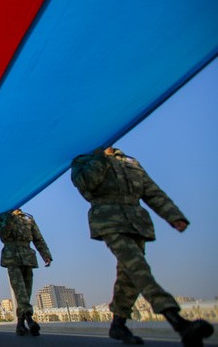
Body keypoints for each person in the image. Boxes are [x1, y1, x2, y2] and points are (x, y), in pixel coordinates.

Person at [71, 147, 214, 346]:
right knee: (139, 269)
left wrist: (174, 216)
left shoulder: (129, 162)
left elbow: (152, 192)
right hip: (108, 221)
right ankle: (178, 322)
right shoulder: (84, 161)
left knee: (128, 276)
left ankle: (118, 324)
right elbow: (86, 185)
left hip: (137, 223)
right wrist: (99, 158)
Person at [0, 208, 52, 337]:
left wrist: (45, 254)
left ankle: (20, 325)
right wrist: (9, 217)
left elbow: (38, 239)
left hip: (27, 256)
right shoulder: (2, 218)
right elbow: (3, 235)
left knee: (26, 290)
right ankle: (29, 318)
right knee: (20, 290)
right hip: (12, 257)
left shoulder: (28, 219)